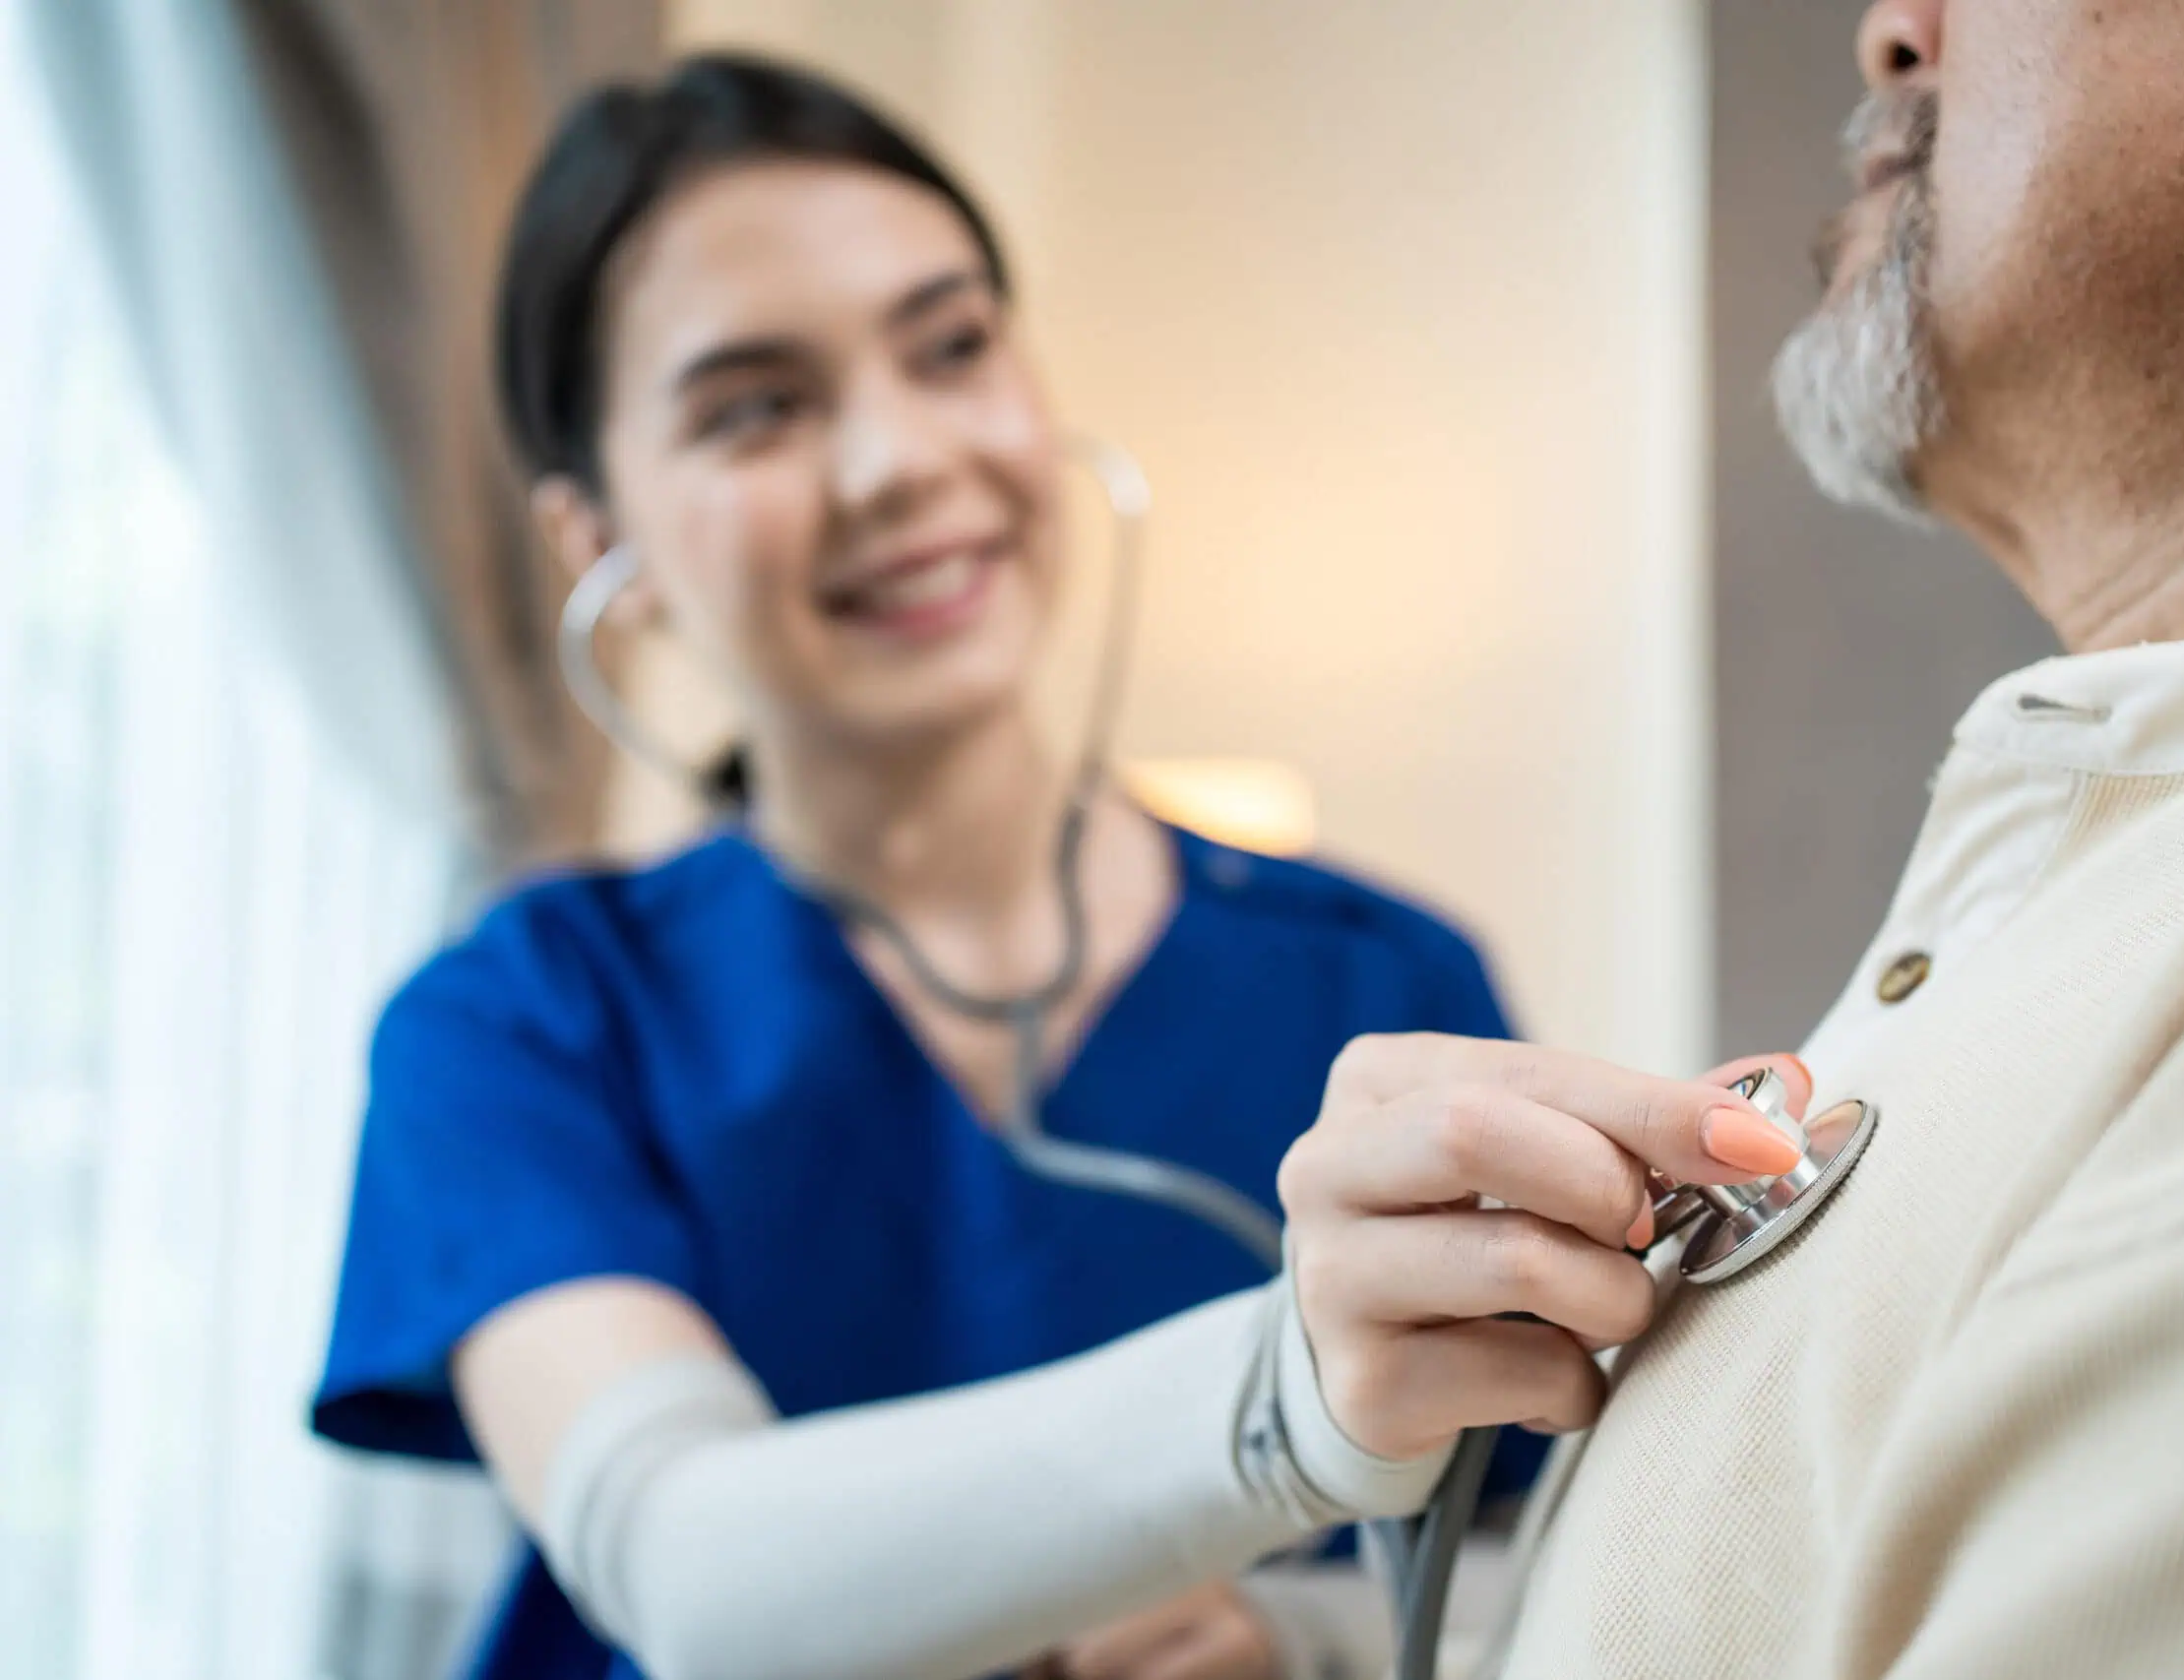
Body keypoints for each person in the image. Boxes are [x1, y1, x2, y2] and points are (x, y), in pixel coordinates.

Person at [308, 54, 1544, 1680]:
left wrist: (1295, 1634)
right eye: (756, 405)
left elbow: (1544, 1566)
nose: (896, 462)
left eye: (952, 347)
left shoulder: (1382, 985)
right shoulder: (521, 1020)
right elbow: (684, 1563)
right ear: (595, 541)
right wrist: (1289, 1399)